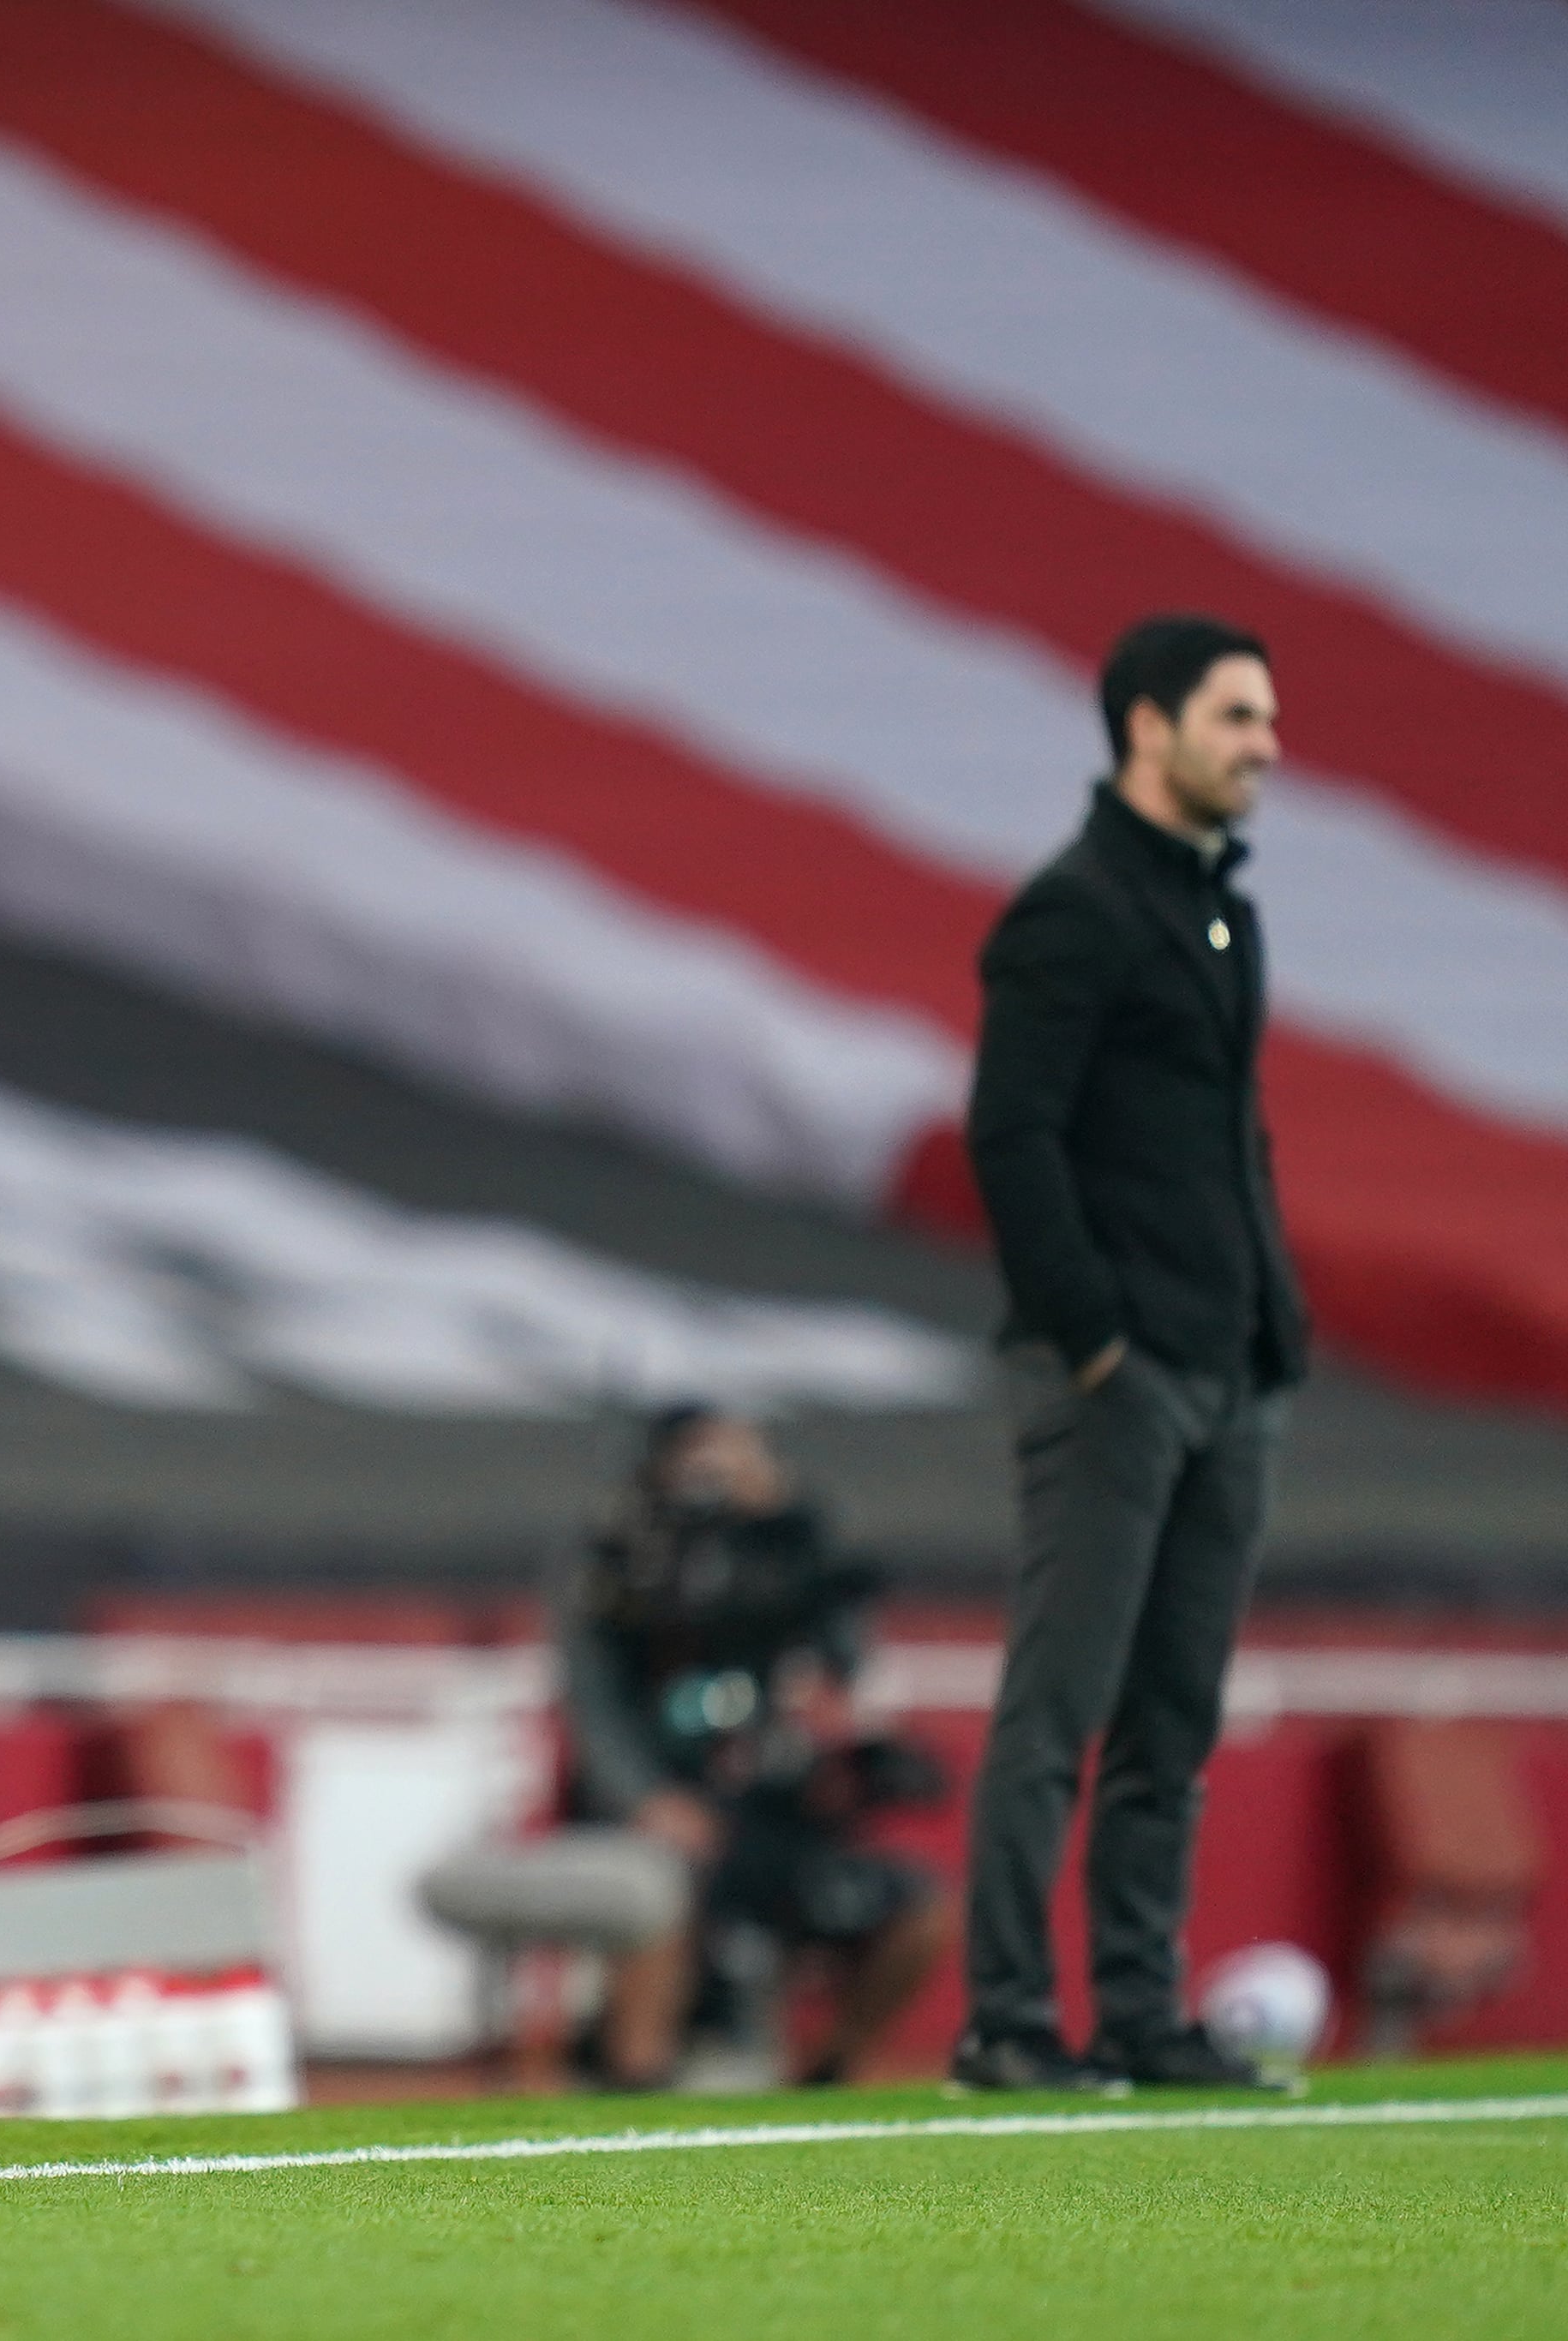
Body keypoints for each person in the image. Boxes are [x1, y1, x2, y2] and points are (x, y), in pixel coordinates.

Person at [952, 614, 1305, 2098]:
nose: (1265, 745)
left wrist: (1269, 1326)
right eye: (1236, 716)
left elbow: (1229, 1139)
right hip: (1119, 1374)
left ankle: (1140, 2014)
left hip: (1225, 1368)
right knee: (1063, 1704)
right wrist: (1091, 1336)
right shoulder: (1074, 910)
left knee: (1171, 1715)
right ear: (1144, 728)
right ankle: (1008, 2023)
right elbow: (1007, 1134)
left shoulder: (1217, 911)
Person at [559, 1407, 949, 2091]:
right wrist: (648, 1798)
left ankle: (830, 2072)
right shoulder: (623, 1567)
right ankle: (632, 2090)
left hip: (771, 1818)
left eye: (737, 1460)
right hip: (663, 1815)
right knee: (658, 1891)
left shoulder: (794, 1558)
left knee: (924, 1908)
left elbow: (843, 1662)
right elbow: (596, 1709)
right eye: (700, 1463)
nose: (716, 1481)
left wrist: (784, 1522)